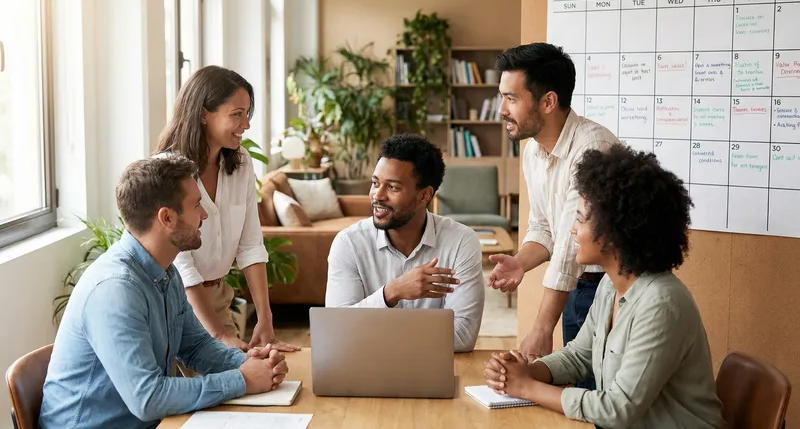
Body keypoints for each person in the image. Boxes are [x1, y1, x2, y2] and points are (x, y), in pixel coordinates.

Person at [483, 145, 726, 428]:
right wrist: (527, 371)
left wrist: (526, 387)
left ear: (616, 231)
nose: (572, 229)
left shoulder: (661, 304)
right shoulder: (610, 286)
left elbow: (616, 409)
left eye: (580, 219)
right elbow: (579, 356)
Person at [39, 156, 289, 428]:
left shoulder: (166, 271)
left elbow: (196, 345)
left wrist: (249, 363)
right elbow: (147, 398)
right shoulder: (115, 289)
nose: (205, 214)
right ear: (167, 218)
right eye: (196, 205)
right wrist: (242, 379)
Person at [486, 43, 620, 373]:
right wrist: (519, 262)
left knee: (598, 396)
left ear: (548, 101)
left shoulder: (593, 146)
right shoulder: (533, 152)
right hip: (576, 287)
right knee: (580, 383)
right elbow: (544, 228)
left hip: (610, 289)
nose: (501, 109)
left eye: (511, 98)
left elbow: (568, 249)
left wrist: (543, 327)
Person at [154, 65, 298, 352]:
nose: (246, 125)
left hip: (218, 298)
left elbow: (251, 245)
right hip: (175, 302)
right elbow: (182, 265)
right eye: (237, 114)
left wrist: (265, 320)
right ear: (204, 114)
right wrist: (219, 336)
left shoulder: (241, 162)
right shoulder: (167, 169)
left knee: (244, 386)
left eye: (247, 114)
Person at [325, 134, 484, 352]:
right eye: (375, 183)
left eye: (392, 187)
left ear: (424, 196)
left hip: (432, 371)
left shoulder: (460, 241)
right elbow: (337, 330)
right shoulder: (348, 243)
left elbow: (462, 335)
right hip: (365, 367)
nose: (377, 196)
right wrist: (391, 292)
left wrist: (368, 329)